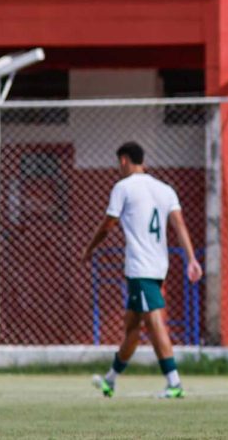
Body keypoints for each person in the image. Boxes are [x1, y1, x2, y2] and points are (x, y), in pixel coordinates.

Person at [83, 141, 202, 399]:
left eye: (119, 163)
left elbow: (107, 225)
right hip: (159, 266)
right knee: (132, 327)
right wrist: (191, 258)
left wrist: (89, 248)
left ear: (124, 160)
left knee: (153, 321)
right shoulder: (164, 189)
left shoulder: (123, 188)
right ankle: (110, 381)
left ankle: (174, 382)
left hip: (140, 266)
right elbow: (179, 225)